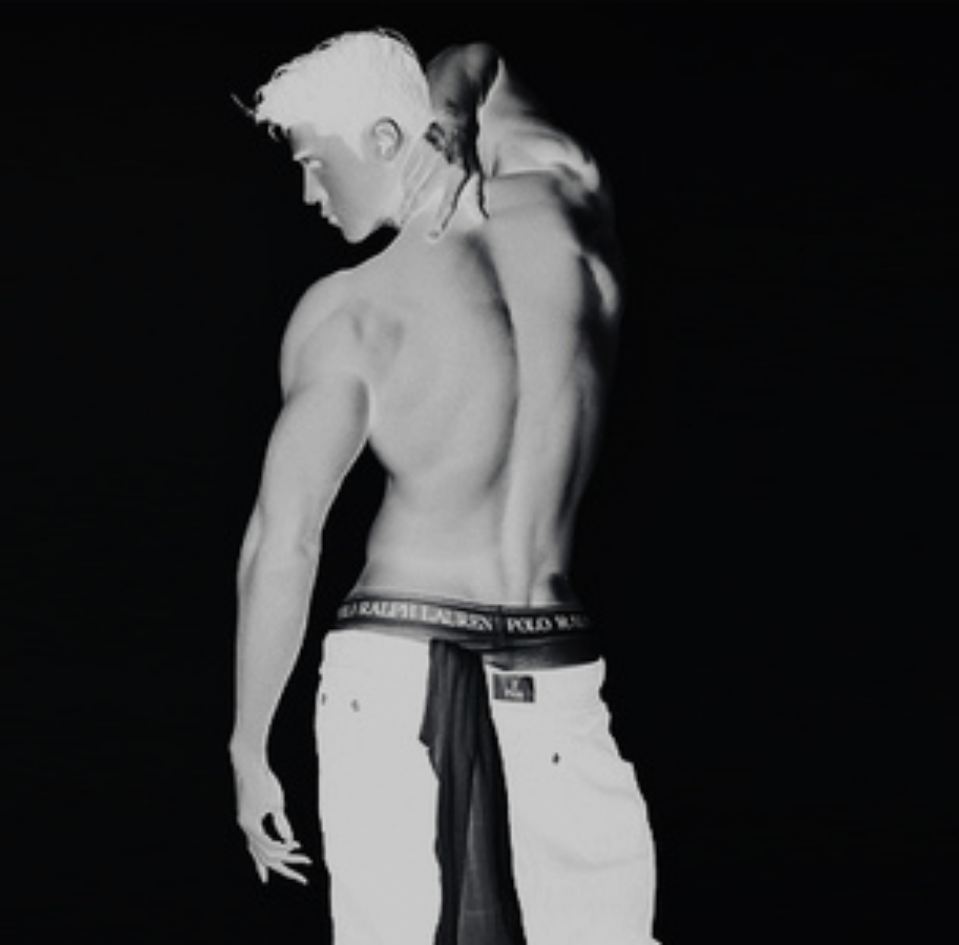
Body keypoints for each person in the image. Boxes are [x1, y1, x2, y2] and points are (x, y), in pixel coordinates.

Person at [230, 30, 657, 944]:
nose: (308, 194)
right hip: (552, 657)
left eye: (314, 163)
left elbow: (285, 541)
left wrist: (247, 743)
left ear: (387, 139)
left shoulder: (350, 312)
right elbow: (479, 55)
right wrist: (453, 108)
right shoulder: (570, 204)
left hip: (392, 662)